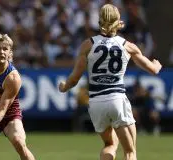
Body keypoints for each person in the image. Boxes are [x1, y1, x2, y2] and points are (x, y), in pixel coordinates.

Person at [58, 4, 162, 160]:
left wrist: (64, 86)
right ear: (118, 20)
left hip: (96, 103)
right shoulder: (128, 46)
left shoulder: (87, 45)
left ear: (100, 20)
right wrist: (157, 64)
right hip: (117, 100)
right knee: (129, 152)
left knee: (110, 145)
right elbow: (153, 69)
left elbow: (74, 78)